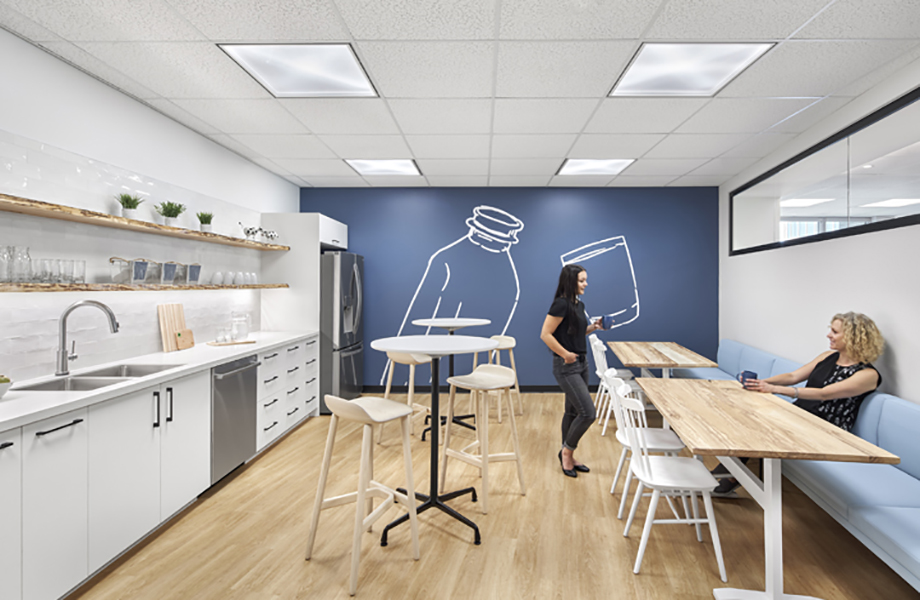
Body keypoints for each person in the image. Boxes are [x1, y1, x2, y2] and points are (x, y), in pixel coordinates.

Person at [713, 312, 884, 496]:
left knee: (762, 424)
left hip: (827, 429)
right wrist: (761, 383)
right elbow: (793, 376)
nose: (829, 335)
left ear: (852, 337)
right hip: (801, 415)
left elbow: (824, 394)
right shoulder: (828, 356)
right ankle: (733, 471)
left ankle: (732, 474)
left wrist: (774, 389)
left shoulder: (867, 375)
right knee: (752, 416)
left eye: (834, 332)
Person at [540, 264, 605, 478]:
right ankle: (566, 452)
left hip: (582, 363)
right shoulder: (560, 304)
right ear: (570, 281)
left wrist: (593, 327)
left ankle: (567, 453)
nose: (586, 284)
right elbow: (546, 334)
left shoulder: (579, 304)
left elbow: (575, 334)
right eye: (581, 280)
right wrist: (565, 354)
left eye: (585, 279)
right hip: (566, 365)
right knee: (588, 413)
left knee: (573, 412)